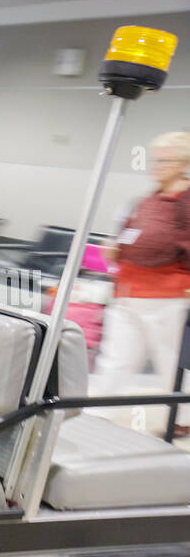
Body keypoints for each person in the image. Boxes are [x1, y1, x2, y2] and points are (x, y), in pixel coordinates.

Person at [93, 130, 190, 436]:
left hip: (169, 298)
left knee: (171, 363)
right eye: (155, 160)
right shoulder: (147, 199)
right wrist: (116, 249)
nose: (157, 166)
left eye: (165, 160)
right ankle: (96, 415)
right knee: (117, 358)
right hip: (128, 293)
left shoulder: (186, 201)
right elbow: (126, 235)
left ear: (182, 162)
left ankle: (182, 420)